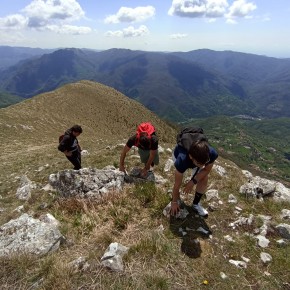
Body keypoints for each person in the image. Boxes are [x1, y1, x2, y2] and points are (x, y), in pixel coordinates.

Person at [170, 129, 218, 217]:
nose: (202, 166)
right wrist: (174, 202)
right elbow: (177, 185)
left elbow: (206, 170)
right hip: (178, 154)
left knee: (204, 177)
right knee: (179, 181)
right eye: (199, 164)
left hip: (196, 158)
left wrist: (193, 181)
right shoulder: (182, 160)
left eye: (205, 162)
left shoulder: (212, 153)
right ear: (191, 157)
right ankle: (176, 198)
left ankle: (196, 204)